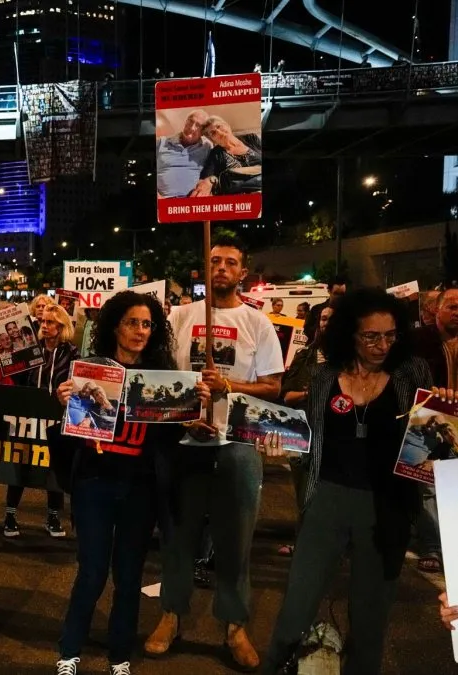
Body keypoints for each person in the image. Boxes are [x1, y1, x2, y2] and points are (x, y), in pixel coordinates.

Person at [258, 288, 434, 674]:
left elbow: (433, 430)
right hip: (327, 502)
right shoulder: (323, 379)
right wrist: (279, 446)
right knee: (295, 611)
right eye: (371, 336)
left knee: (369, 621)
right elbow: (308, 438)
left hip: (386, 507)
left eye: (390, 335)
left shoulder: (412, 374)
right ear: (349, 335)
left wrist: (448, 409)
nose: (382, 345)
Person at [145, 233, 283, 670]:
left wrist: (229, 385)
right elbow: (161, 374)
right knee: (177, 537)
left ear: (243, 272)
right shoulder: (179, 316)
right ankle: (172, 613)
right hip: (182, 445)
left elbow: (273, 386)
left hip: (238, 445)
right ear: (204, 271)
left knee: (236, 540)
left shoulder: (257, 323)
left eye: (230, 262)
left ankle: (234, 624)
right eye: (214, 261)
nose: (221, 267)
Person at [56, 291, 210, 675]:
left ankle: (119, 656)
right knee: (91, 571)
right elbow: (69, 432)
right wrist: (60, 399)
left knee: (129, 575)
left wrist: (195, 407)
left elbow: (177, 438)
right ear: (114, 325)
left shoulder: (163, 376)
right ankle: (69, 651)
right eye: (131, 322)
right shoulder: (89, 369)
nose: (140, 331)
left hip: (141, 488)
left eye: (147, 324)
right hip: (94, 483)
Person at [410, 286, 458, 574]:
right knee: (427, 485)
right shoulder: (417, 341)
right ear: (436, 310)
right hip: (427, 420)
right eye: (453, 307)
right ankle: (431, 546)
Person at [0, 302, 76, 538]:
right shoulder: (31, 348)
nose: (45, 326)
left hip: (57, 417)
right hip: (29, 413)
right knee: (21, 461)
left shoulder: (72, 353)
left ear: (62, 326)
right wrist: (6, 359)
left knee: (54, 466)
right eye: (42, 322)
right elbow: (17, 377)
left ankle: (52, 516)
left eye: (51, 322)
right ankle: (10, 513)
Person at [277, 301, 334, 555]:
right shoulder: (304, 356)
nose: (327, 324)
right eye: (323, 319)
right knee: (304, 496)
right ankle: (304, 546)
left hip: (335, 440)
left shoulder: (354, 363)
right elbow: (286, 396)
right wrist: (308, 393)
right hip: (303, 435)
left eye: (333, 319)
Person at [190, 115, 262, 197]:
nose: (219, 132)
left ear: (227, 125)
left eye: (219, 126)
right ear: (212, 140)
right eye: (213, 133)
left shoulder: (251, 138)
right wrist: (208, 181)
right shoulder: (215, 154)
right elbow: (206, 178)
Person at [156, 110, 212, 198]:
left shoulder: (207, 147)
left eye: (198, 125)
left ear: (203, 132)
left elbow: (216, 171)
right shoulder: (161, 143)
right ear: (185, 122)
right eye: (190, 121)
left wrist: (209, 182)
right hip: (163, 200)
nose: (192, 127)